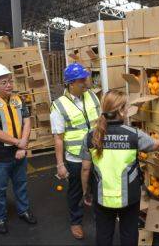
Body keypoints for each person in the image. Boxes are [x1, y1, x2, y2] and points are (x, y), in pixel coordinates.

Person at [80, 90, 159, 246]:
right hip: (129, 196)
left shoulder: (91, 136)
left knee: (103, 233)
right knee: (129, 233)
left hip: (102, 196)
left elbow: (85, 169)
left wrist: (86, 192)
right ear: (122, 110)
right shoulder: (133, 135)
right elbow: (156, 145)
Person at [0, 63, 37, 234]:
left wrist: (23, 144)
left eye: (10, 81)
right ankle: (0, 218)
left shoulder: (18, 100)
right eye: (4, 83)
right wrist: (17, 142)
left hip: (19, 152)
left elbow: (27, 122)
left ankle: (24, 211)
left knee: (21, 185)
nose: (9, 85)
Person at [50, 62, 100, 240]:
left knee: (97, 186)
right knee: (76, 190)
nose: (86, 83)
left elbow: (99, 122)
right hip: (76, 157)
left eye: (85, 79)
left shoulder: (92, 96)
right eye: (82, 81)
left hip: (96, 153)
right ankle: (76, 221)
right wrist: (60, 164)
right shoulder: (59, 105)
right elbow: (58, 137)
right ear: (71, 84)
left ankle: (100, 217)